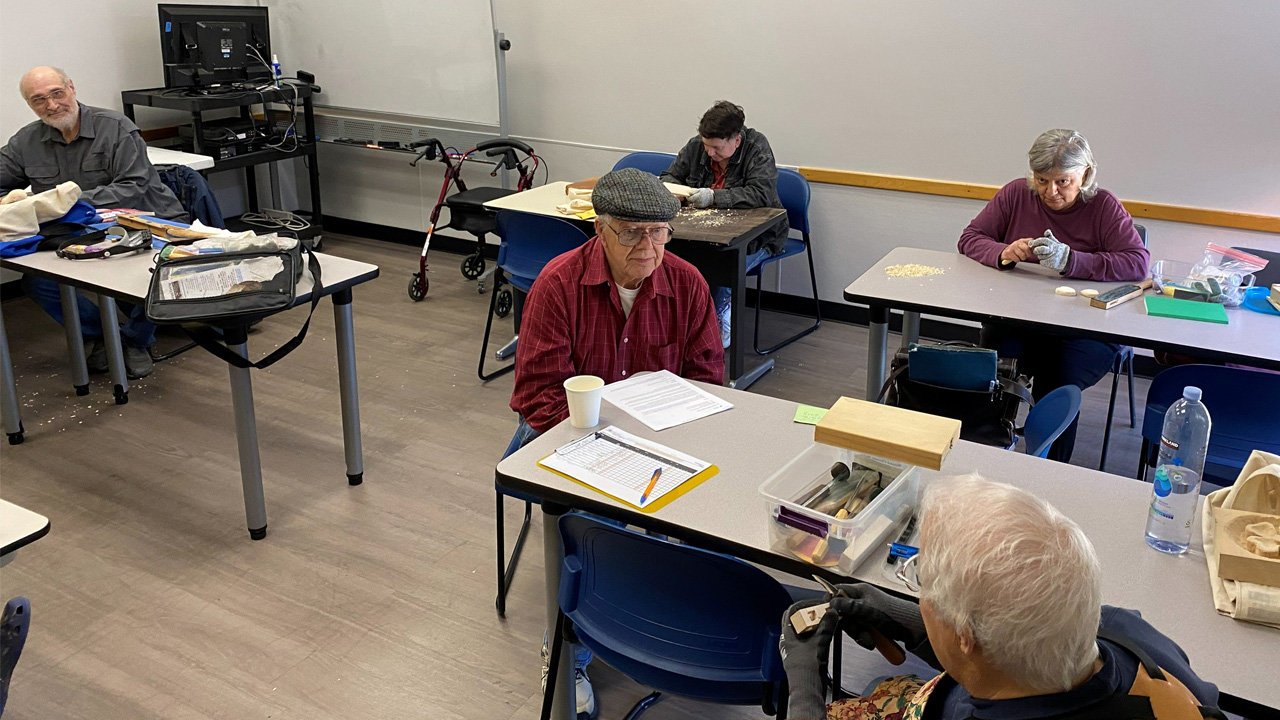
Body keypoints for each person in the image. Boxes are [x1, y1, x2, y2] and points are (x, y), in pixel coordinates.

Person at [504, 167, 723, 719]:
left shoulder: (687, 284)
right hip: (564, 435)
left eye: (659, 232)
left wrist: (656, 450)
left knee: (704, 521)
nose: (647, 247)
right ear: (599, 228)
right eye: (630, 232)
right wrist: (606, 458)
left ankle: (659, 620)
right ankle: (568, 654)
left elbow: (708, 381)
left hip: (657, 440)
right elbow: (538, 396)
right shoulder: (558, 283)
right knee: (591, 529)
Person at [779, 476, 1222, 720]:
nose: (919, 592)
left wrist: (804, 684)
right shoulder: (1126, 633)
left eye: (922, 579)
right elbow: (1005, 655)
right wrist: (904, 618)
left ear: (966, 635)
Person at [957, 128, 1149, 462]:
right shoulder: (1016, 194)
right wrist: (1003, 252)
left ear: (1084, 174)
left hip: (1086, 331)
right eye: (1042, 180)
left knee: (1058, 378)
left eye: (1063, 182)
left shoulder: (1103, 206)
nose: (1051, 191)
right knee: (996, 366)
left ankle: (1049, 467)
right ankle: (987, 450)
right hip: (1021, 319)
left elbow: (1137, 263)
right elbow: (970, 238)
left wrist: (1072, 260)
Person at [1, 66, 188, 378]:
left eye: (57, 93)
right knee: (38, 283)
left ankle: (135, 340)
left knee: (155, 272)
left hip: (146, 222)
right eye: (39, 99)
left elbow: (134, 186)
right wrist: (18, 202)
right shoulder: (25, 141)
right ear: (29, 104)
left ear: (71, 88)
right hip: (80, 232)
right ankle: (104, 335)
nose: (51, 105)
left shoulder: (115, 127)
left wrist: (65, 202)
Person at [660, 100, 788, 347]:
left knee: (721, 265)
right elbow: (670, 176)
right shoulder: (697, 145)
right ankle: (679, 325)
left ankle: (716, 322)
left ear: (736, 140)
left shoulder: (756, 148)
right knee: (672, 256)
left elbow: (761, 193)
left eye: (717, 148)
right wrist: (674, 191)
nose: (710, 153)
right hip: (703, 232)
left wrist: (714, 197)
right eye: (707, 146)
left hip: (758, 237)